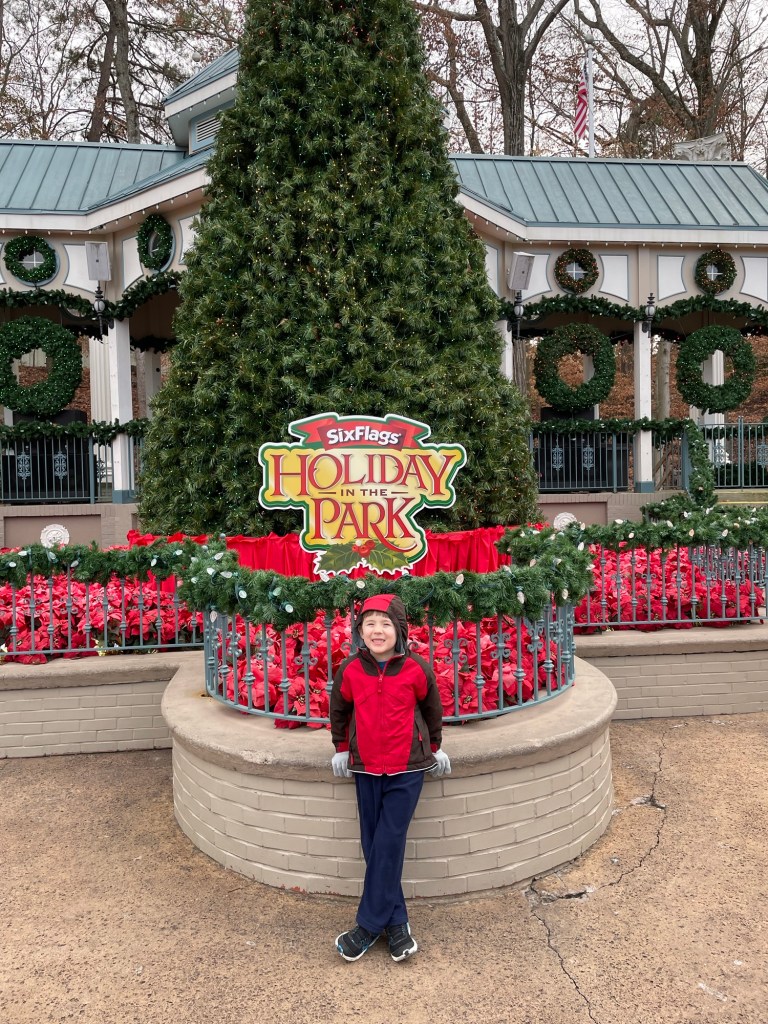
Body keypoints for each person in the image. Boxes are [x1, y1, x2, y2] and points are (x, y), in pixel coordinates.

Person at [330, 592, 450, 963]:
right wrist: (339, 747)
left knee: (389, 840)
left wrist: (434, 745)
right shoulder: (349, 669)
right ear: (360, 630)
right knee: (374, 843)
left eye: (385, 624)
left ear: (399, 629)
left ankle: (366, 926)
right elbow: (338, 708)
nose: (377, 631)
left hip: (408, 768)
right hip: (365, 766)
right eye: (370, 624)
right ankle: (397, 924)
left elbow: (432, 709)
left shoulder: (417, 669)